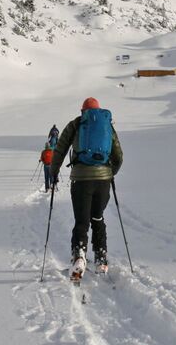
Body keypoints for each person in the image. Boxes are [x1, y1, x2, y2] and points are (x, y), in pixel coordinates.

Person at [50, 97, 123, 277]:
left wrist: (54, 171)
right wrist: (110, 173)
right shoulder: (107, 126)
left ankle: (79, 257)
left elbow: (60, 149)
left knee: (81, 221)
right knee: (98, 218)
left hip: (81, 180)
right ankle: (101, 259)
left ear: (83, 111)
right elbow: (118, 156)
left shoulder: (76, 124)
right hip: (103, 181)